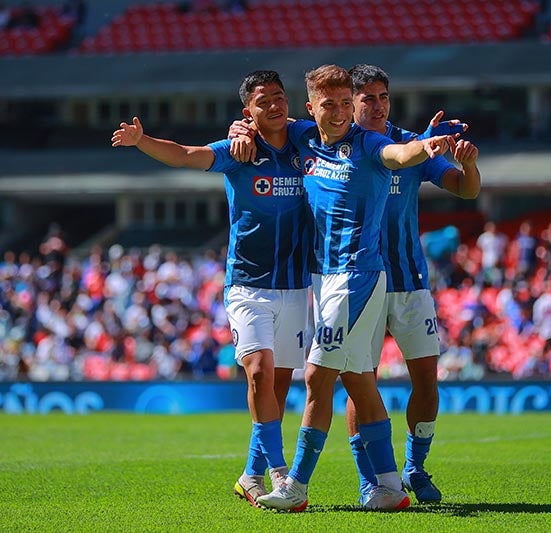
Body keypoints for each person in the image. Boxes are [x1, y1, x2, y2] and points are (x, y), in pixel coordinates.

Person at [241, 65, 454, 512]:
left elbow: (399, 155)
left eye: (344, 104)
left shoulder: (369, 143)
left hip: (357, 274)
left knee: (318, 375)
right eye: (330, 104)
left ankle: (295, 485)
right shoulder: (304, 139)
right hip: (322, 279)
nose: (339, 113)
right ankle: (390, 488)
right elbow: (268, 124)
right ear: (311, 108)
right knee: (359, 383)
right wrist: (242, 128)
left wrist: (424, 147)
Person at [111, 70, 310, 507]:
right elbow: (186, 154)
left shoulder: (306, 140)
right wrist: (142, 141)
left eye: (280, 97)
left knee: (276, 389)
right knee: (257, 373)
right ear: (248, 112)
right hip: (248, 283)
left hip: (297, 285)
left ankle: (249, 476)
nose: (275, 105)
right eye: (264, 101)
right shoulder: (239, 152)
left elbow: (343, 124)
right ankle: (281, 476)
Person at [344, 63, 480, 505]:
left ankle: (415, 468)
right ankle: (371, 479)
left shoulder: (412, 144)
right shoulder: (334, 146)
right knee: (360, 382)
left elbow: (465, 190)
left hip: (409, 281)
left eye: (383, 96)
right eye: (369, 98)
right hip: (359, 283)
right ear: (352, 102)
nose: (378, 105)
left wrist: (469, 165)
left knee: (426, 378)